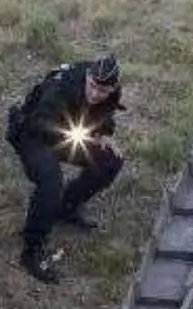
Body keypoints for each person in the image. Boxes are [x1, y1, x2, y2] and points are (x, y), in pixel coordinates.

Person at [8, 54, 126, 284]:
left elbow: (105, 113)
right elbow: (38, 121)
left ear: (112, 88)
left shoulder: (111, 93)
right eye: (91, 86)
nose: (94, 94)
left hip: (70, 135)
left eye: (102, 91)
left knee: (109, 160)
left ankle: (66, 208)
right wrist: (74, 135)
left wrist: (102, 134)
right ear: (88, 76)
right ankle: (31, 249)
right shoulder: (62, 84)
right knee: (51, 181)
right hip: (33, 134)